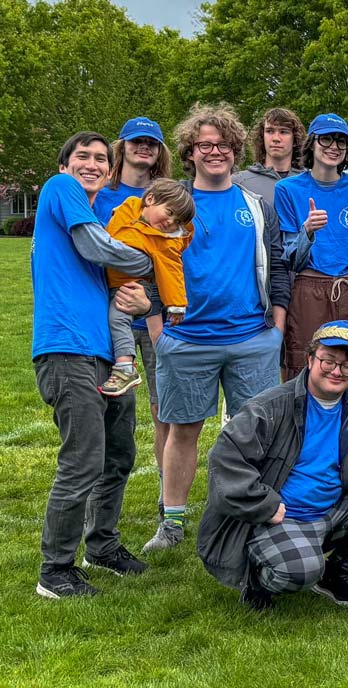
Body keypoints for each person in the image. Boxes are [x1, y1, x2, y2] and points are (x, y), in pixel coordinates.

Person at [146, 103, 290, 553]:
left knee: (256, 432)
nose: (215, 152)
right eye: (205, 144)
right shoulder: (172, 203)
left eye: (223, 144)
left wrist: (277, 330)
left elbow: (279, 266)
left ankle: (252, 511)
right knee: (182, 430)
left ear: (235, 149)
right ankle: (171, 523)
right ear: (190, 151)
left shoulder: (257, 205)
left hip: (251, 338)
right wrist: (158, 333)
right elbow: (147, 267)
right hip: (186, 338)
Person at [197, 321, 348, 609]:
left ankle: (338, 573)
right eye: (328, 361)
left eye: (347, 365)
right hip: (281, 516)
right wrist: (264, 505)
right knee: (299, 571)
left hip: (334, 510)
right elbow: (226, 462)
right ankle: (257, 580)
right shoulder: (269, 407)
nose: (336, 371)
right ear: (310, 359)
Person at [32, 131, 154, 598]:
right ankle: (55, 571)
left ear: (109, 169)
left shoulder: (101, 211)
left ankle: (101, 547)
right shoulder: (58, 188)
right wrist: (153, 261)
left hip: (108, 353)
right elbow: (96, 249)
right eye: (82, 156)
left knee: (118, 455)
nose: (92, 163)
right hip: (66, 349)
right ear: (65, 164)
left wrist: (141, 301)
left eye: (101, 159)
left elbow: (119, 289)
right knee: (83, 460)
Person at [91, 116, 174, 516]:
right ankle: (101, 507)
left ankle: (165, 497)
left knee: (165, 412)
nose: (145, 148)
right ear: (122, 146)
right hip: (112, 315)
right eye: (138, 142)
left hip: (155, 316)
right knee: (110, 413)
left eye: (153, 144)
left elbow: (178, 253)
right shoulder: (103, 195)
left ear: (160, 153)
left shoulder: (170, 196)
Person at [274, 113, 348, 392]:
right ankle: (306, 430)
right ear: (312, 143)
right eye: (326, 139)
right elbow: (291, 258)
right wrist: (307, 232)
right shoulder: (288, 189)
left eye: (341, 142)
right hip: (310, 287)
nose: (333, 147)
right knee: (306, 363)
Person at [99, 178, 196, 396]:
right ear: (150, 199)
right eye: (169, 212)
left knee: (118, 317)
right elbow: (114, 234)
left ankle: (125, 367)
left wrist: (177, 305)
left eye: (177, 221)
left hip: (132, 285)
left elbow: (172, 272)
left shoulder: (165, 242)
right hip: (107, 281)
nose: (171, 222)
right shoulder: (130, 208)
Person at [94, 116, 173, 221]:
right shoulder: (97, 193)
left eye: (152, 142)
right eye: (136, 140)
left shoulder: (167, 198)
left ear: (159, 151)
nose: (145, 146)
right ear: (122, 147)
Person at [232, 107, 306, 205]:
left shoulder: (309, 181)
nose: (276, 138)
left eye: (283, 132)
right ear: (262, 136)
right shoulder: (240, 182)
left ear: (295, 138)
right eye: (270, 131)